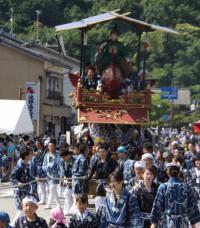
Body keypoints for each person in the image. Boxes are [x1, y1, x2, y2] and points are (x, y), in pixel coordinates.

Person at [151, 163, 200, 228]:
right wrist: (193, 224)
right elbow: (192, 207)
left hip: (167, 223)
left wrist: (154, 223)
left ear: (167, 172)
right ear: (179, 173)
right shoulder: (187, 187)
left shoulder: (163, 187)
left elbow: (157, 206)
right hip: (183, 223)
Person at [42, 139, 63, 209]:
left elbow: (60, 165)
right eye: (49, 146)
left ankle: (49, 204)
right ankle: (59, 205)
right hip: (47, 175)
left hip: (55, 175)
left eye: (51, 146)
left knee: (52, 189)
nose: (50, 147)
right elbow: (43, 164)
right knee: (53, 191)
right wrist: (45, 168)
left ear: (55, 146)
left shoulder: (58, 155)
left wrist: (61, 175)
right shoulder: (46, 155)